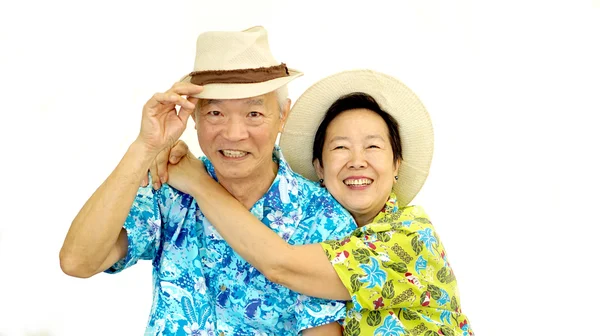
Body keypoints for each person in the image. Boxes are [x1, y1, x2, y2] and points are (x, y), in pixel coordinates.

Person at [59, 26, 356, 335]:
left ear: (283, 115)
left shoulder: (324, 218)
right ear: (195, 118)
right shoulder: (169, 190)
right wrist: (144, 148)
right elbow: (78, 261)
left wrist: (198, 183)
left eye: (254, 113)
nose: (233, 133)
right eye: (215, 112)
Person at [161, 70, 474, 335]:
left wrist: (198, 182)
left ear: (396, 166)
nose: (357, 161)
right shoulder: (322, 231)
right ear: (320, 169)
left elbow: (281, 264)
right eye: (340, 147)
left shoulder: (409, 237)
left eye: (373, 147)